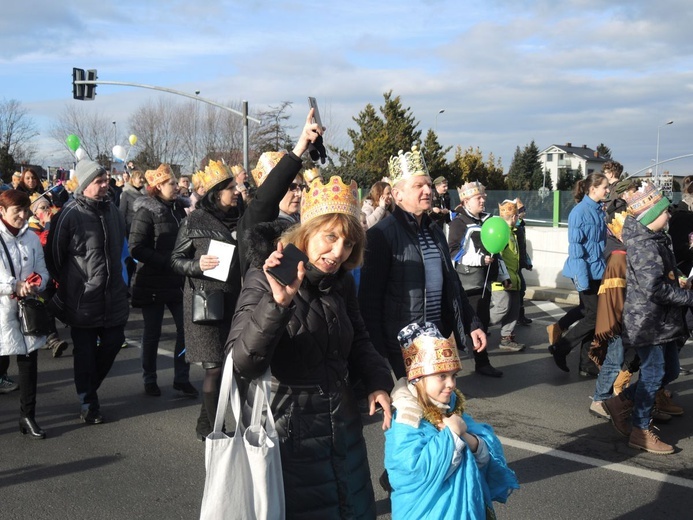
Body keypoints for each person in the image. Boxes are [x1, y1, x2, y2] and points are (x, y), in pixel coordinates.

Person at [227, 174, 393, 519]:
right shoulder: (265, 276)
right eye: (329, 237)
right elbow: (241, 362)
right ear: (305, 232)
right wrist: (277, 305)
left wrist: (378, 380)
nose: (337, 253)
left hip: (342, 430)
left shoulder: (341, 283)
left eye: (348, 244)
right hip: (290, 437)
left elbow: (359, 338)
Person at [359, 146, 488, 380]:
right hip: (403, 343)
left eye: (428, 184)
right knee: (414, 410)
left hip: (438, 337)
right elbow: (369, 301)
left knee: (440, 405)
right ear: (397, 195)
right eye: (418, 186)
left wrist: (472, 323)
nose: (428, 190)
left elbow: (453, 284)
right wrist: (376, 357)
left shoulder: (435, 231)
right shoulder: (381, 235)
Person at [384, 322, 519, 519]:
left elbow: (486, 454)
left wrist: (469, 438)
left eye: (453, 375)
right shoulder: (405, 419)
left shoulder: (451, 408)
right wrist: (452, 437)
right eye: (441, 376)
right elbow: (412, 474)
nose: (451, 384)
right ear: (418, 378)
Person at [602, 181, 693, 454]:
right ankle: (641, 431)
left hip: (662, 322)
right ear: (652, 215)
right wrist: (688, 296)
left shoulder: (656, 239)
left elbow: (659, 276)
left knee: (671, 371)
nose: (669, 216)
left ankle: (619, 402)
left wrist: (677, 279)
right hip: (647, 323)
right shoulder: (643, 245)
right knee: (653, 375)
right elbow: (653, 288)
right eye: (665, 212)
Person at [46, 159, 130, 424]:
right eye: (99, 181)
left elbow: (120, 252)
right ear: (84, 185)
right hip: (83, 299)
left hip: (113, 294)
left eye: (106, 180)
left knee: (114, 342)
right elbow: (54, 257)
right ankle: (88, 403)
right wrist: (73, 284)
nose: (106, 185)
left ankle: (88, 386)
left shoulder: (114, 212)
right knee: (84, 353)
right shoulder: (69, 214)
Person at [170, 160, 243, 441]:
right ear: (216, 192)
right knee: (214, 367)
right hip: (204, 303)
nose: (236, 191)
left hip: (231, 300)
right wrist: (198, 265)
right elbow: (175, 261)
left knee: (225, 366)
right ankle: (215, 430)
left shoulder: (239, 216)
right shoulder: (194, 220)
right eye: (230, 187)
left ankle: (205, 425)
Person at [129, 164, 197, 398]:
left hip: (177, 281)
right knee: (152, 332)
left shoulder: (179, 210)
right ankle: (150, 378)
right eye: (172, 183)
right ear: (158, 186)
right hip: (152, 281)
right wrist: (166, 261)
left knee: (187, 329)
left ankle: (181, 378)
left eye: (177, 183)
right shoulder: (145, 212)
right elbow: (136, 248)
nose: (177, 187)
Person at [0, 190, 50, 438]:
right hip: (2, 311)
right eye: (15, 211)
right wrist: (13, 285)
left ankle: (27, 416)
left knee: (29, 362)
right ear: (2, 211)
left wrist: (36, 281)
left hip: (26, 310)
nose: (22, 215)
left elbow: (42, 268)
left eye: (25, 210)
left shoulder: (31, 237)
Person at [548, 173, 609, 375]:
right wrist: (582, 280)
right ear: (593, 189)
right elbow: (576, 250)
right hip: (584, 272)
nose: (607, 190)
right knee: (594, 316)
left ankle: (586, 364)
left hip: (597, 271)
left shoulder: (599, 211)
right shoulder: (579, 212)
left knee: (592, 316)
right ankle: (561, 347)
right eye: (604, 187)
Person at [447, 181, 504, 377]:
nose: (483, 201)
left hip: (485, 281)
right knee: (473, 322)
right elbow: (453, 252)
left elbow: (497, 249)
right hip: (468, 283)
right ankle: (479, 362)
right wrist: (479, 259)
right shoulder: (458, 223)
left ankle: (478, 361)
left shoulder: (488, 220)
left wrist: (502, 274)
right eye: (478, 198)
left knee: (482, 323)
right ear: (465, 201)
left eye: (483, 197)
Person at [28, 193, 68, 357]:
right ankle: (53, 339)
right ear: (35, 212)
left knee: (56, 304)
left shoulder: (52, 223)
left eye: (47, 206)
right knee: (47, 305)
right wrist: (48, 227)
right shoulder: (31, 229)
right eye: (42, 208)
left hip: (55, 273)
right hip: (38, 275)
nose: (46, 210)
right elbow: (44, 244)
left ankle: (48, 337)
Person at [488, 199, 525, 351]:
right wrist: (503, 277)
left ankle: (506, 338)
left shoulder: (514, 232)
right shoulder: (500, 232)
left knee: (514, 309)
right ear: (514, 217)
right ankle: (477, 324)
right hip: (502, 279)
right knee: (502, 307)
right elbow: (497, 256)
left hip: (514, 277)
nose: (519, 219)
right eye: (517, 216)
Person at [515, 198, 533, 326]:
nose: (524, 212)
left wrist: (526, 262)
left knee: (521, 289)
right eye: (521, 210)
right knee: (520, 290)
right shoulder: (515, 227)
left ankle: (519, 315)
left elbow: (523, 247)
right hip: (513, 263)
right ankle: (516, 316)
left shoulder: (521, 225)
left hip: (519, 262)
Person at [119, 169, 146, 237]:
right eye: (140, 178)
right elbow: (122, 212)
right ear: (133, 179)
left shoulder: (146, 194)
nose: (142, 180)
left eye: (143, 178)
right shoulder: (126, 193)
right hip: (132, 226)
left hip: (145, 225)